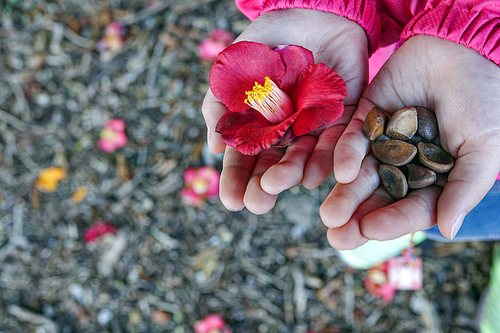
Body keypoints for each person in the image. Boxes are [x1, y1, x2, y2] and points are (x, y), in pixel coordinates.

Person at [202, 1, 500, 330]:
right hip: (401, 60)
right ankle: (414, 234)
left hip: (469, 99)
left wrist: (486, 40)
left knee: (461, 201)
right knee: (429, 207)